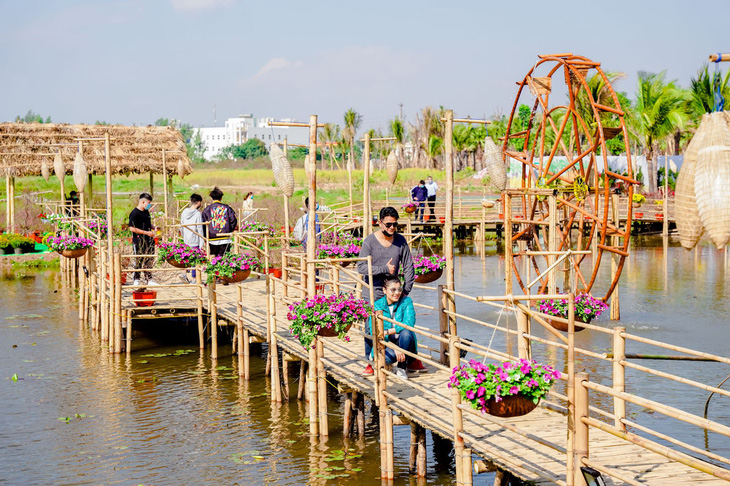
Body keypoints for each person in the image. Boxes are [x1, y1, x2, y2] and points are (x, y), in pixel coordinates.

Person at [357, 206, 426, 374]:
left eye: (395, 225)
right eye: (388, 224)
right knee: (370, 327)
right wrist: (383, 269)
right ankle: (371, 361)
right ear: (380, 223)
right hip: (372, 291)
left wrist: (406, 290)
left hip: (395, 291)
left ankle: (409, 359)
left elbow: (409, 266)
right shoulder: (370, 241)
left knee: (404, 324)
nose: (392, 228)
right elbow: (361, 267)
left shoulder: (400, 241)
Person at [362, 275, 419, 380]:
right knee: (387, 359)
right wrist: (396, 348)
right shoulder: (377, 305)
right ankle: (388, 364)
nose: (397, 293)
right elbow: (375, 332)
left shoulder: (406, 301)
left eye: (399, 289)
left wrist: (388, 331)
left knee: (406, 333)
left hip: (404, 342)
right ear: (384, 290)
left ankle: (401, 368)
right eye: (393, 290)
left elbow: (409, 323)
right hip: (386, 344)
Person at [129, 193, 157, 287]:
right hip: (139, 240)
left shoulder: (146, 212)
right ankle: (136, 279)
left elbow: (147, 223)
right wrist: (146, 232)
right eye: (148, 203)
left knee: (149, 259)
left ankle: (149, 278)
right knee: (139, 259)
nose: (149, 205)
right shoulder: (134, 213)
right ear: (143, 202)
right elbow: (132, 228)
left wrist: (153, 227)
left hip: (149, 240)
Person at [202, 187, 238, 256]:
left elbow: (203, 224)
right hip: (225, 238)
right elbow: (233, 220)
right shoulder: (227, 208)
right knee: (224, 260)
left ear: (211, 198)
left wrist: (205, 236)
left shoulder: (207, 209)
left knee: (213, 259)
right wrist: (229, 230)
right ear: (221, 198)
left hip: (212, 238)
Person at [180, 193, 204, 283]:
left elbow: (181, 226)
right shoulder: (197, 214)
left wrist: (183, 236)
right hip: (195, 240)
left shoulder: (184, 212)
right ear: (198, 202)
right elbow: (199, 228)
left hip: (186, 239)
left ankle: (184, 274)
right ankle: (194, 278)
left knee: (186, 257)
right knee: (195, 259)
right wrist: (201, 242)